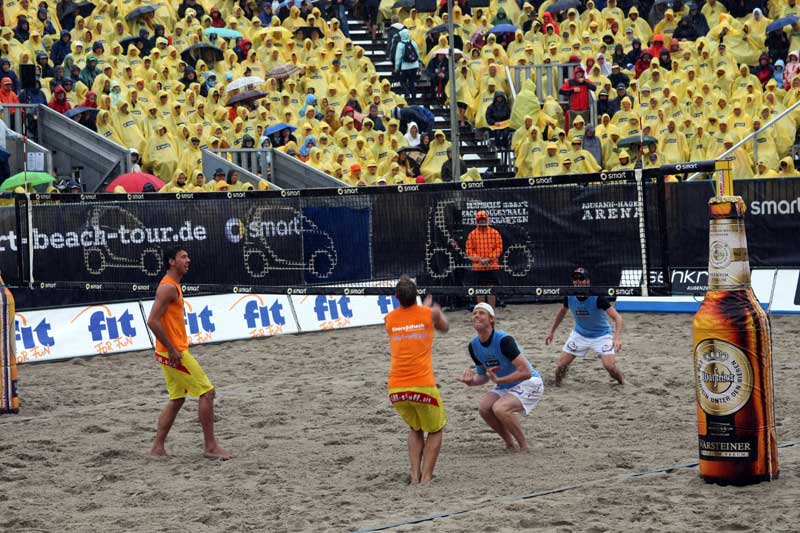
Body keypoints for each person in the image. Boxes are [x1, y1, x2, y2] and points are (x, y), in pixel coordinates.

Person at [146, 247, 231, 460]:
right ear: (171, 261)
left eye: (187, 256)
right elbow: (152, 321)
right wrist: (173, 349)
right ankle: (210, 447)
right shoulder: (168, 288)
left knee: (177, 399)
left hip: (167, 351)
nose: (188, 260)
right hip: (173, 352)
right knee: (207, 392)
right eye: (183, 257)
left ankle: (157, 448)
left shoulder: (173, 286)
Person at [385, 277, 449, 484]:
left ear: (396, 298)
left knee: (415, 429)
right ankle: (426, 477)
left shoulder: (389, 319)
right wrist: (434, 311)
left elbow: (409, 320)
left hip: (396, 389)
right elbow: (444, 327)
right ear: (417, 295)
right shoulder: (428, 314)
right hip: (422, 385)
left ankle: (414, 476)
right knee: (436, 430)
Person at [456, 302, 543, 451]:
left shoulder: (504, 340)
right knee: (484, 408)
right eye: (474, 313)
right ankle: (509, 443)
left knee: (500, 408)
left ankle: (524, 446)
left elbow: (525, 372)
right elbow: (483, 377)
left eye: (481, 313)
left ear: (491, 319)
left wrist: (500, 380)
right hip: (505, 385)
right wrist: (471, 382)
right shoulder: (473, 345)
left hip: (530, 382)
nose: (476, 315)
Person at [545, 267, 625, 386]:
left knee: (610, 367)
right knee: (561, 365)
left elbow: (618, 318)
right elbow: (562, 312)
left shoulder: (598, 298)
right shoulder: (569, 296)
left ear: (588, 281)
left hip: (601, 336)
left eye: (581, 279)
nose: (578, 281)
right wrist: (552, 332)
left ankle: (622, 381)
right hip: (580, 335)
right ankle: (557, 385)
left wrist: (617, 338)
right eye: (575, 279)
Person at [465, 210, 502, 308]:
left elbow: (499, 248)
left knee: (491, 289)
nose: (482, 222)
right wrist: (480, 259)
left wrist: (489, 259)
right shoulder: (472, 235)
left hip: (492, 266)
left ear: (487, 220)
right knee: (479, 289)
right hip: (478, 267)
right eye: (480, 220)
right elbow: (469, 251)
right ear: (477, 221)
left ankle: (491, 310)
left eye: (483, 219)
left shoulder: (494, 233)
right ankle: (481, 309)